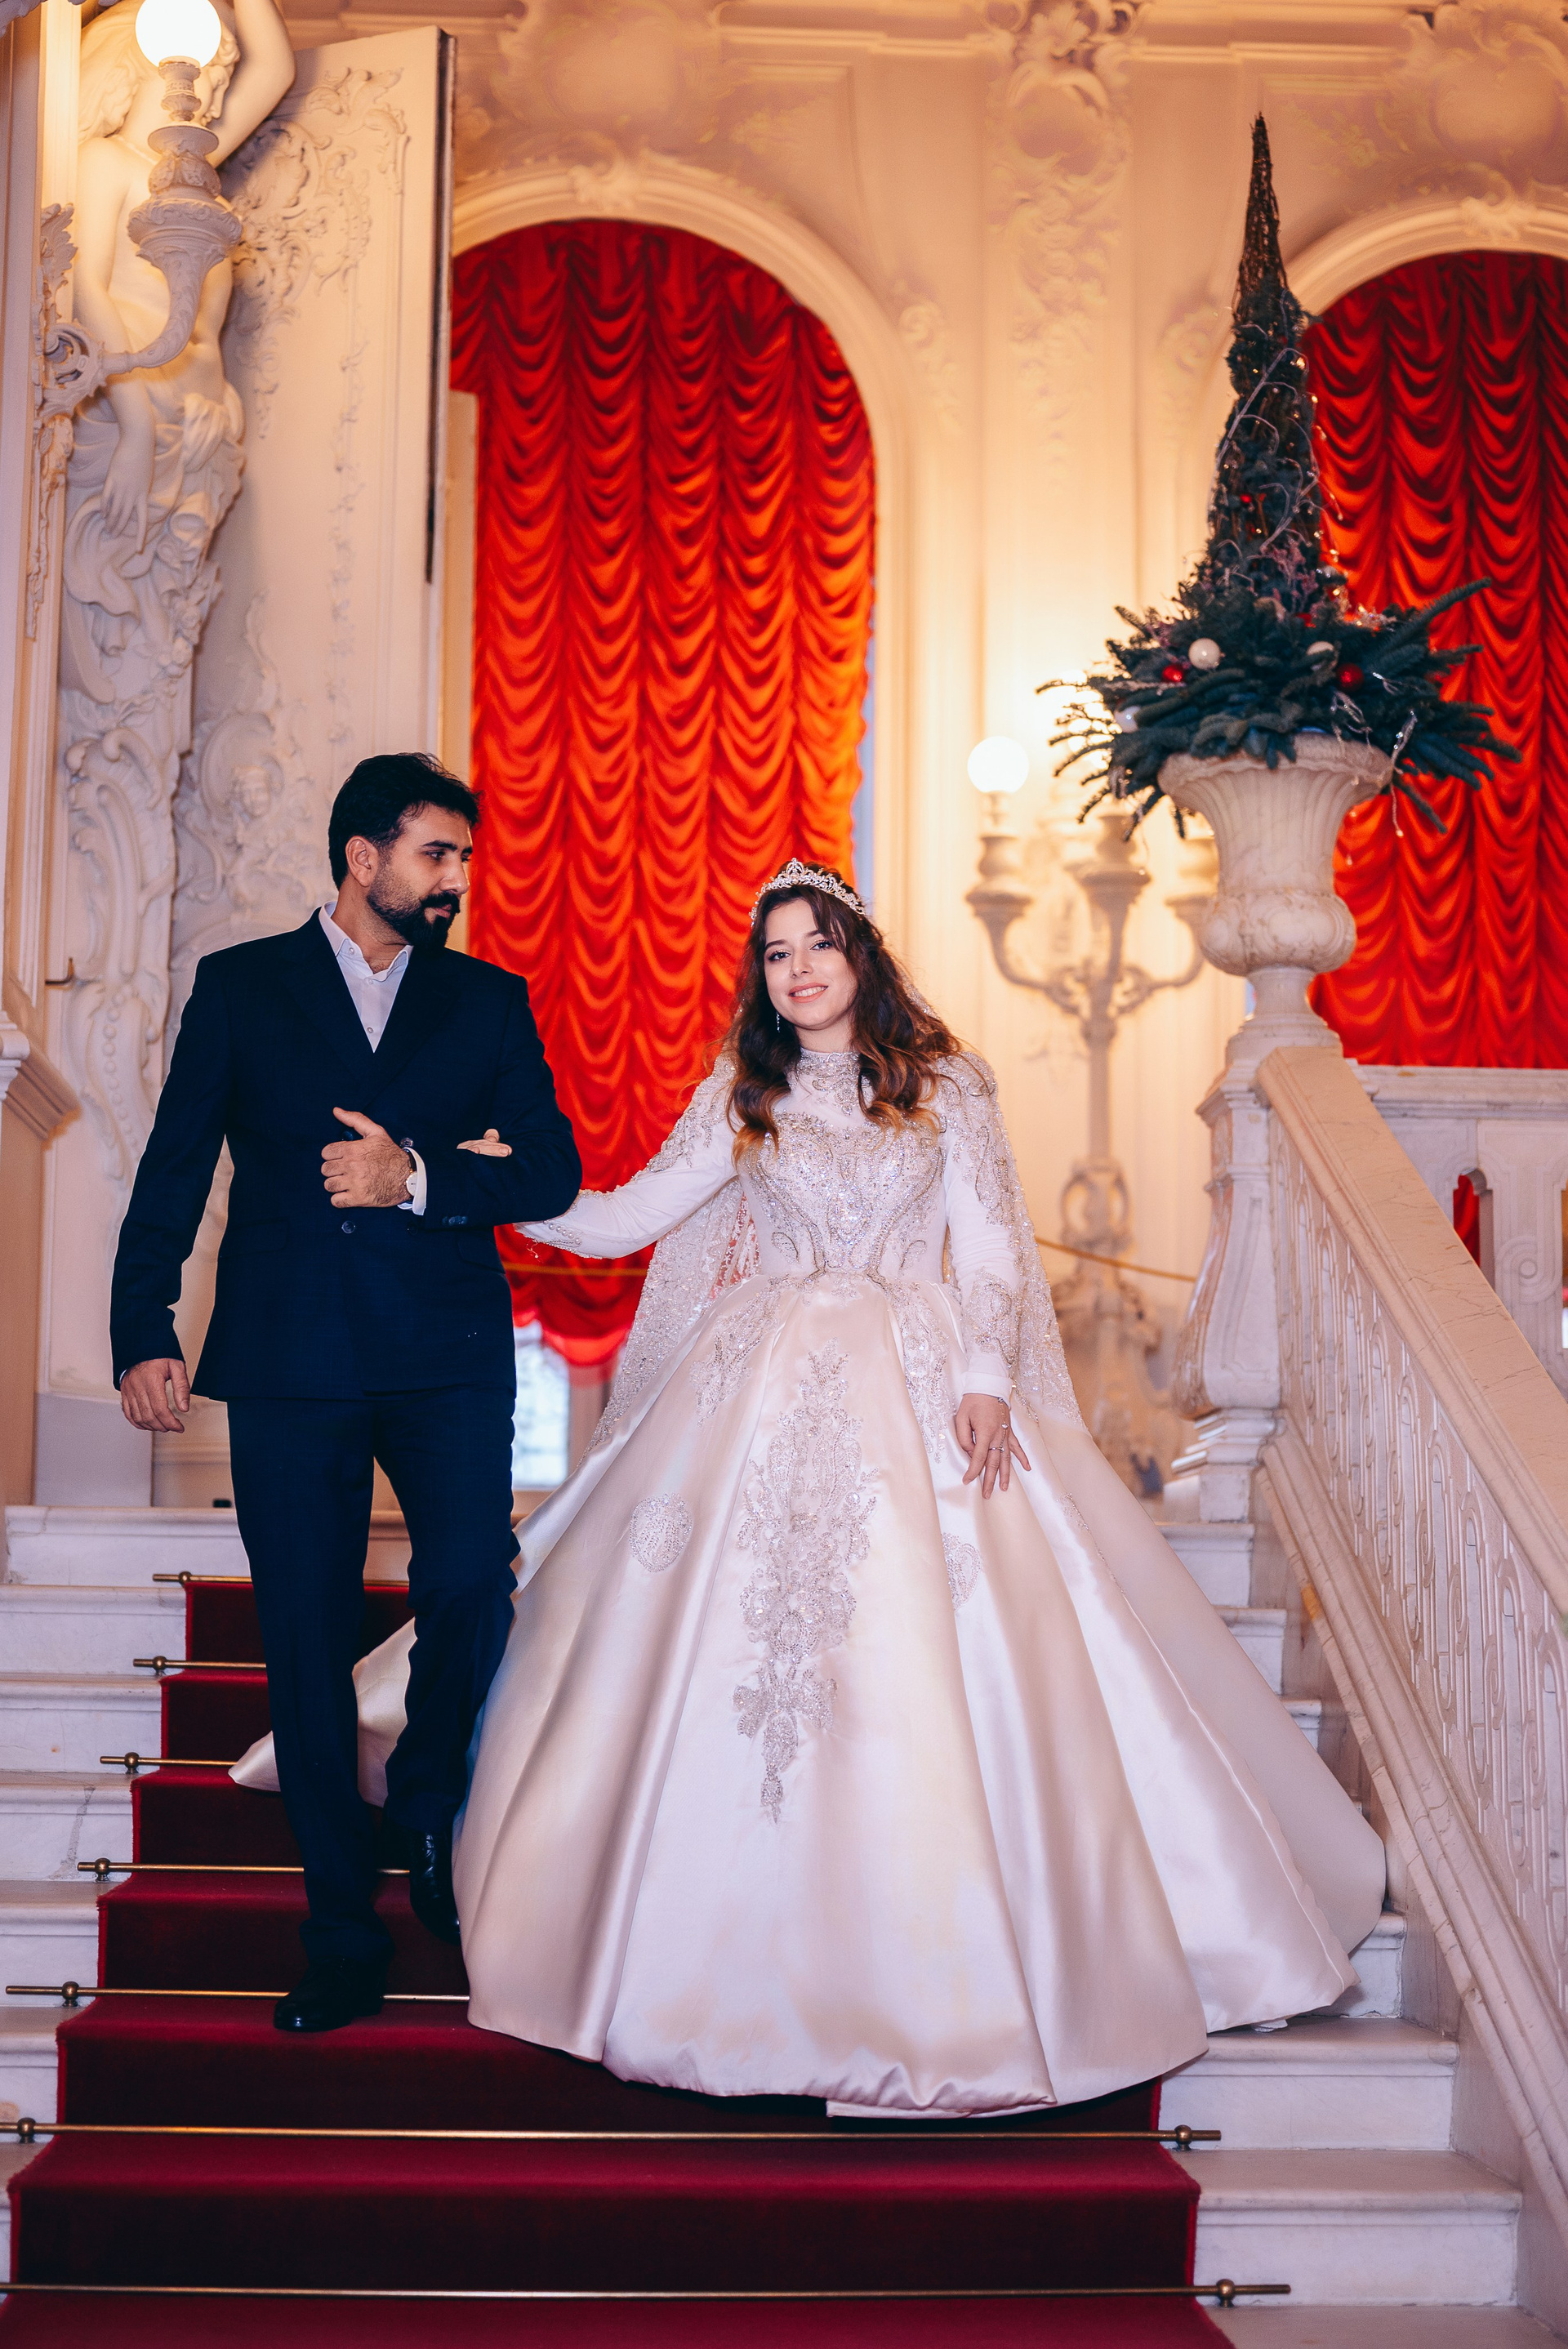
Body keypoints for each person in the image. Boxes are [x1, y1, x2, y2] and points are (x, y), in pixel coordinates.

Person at [238, 859, 1384, 2110]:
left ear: (860, 953)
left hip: (925, 1377)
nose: (798, 969)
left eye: (818, 943)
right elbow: (625, 1219)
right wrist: (439, 1182)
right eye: (776, 952)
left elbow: (991, 1252)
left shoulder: (947, 1083)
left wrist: (986, 1377)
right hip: (762, 1377)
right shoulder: (745, 1090)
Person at [112, 755, 581, 2035]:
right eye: (437, 854)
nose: (456, 879)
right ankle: (338, 1931)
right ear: (362, 857)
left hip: (448, 1352)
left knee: (470, 1583)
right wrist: (142, 1328)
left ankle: (426, 1803)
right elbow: (175, 1165)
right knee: (307, 1634)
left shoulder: (489, 1002)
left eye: (463, 858)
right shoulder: (241, 986)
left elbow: (548, 1167)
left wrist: (417, 1175)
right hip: (289, 1357)